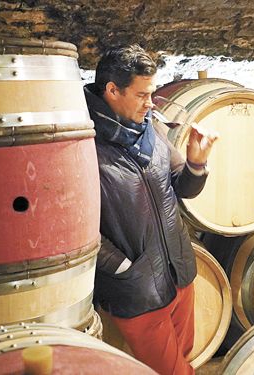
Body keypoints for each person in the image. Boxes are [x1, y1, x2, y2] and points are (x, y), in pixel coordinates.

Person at [83, 44, 218, 375]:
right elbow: (73, 226)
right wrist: (124, 268)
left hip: (179, 272)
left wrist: (197, 164)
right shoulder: (83, 142)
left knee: (185, 358)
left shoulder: (151, 129)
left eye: (152, 93)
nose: (150, 103)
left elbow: (183, 188)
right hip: (136, 289)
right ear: (112, 90)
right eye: (142, 94)